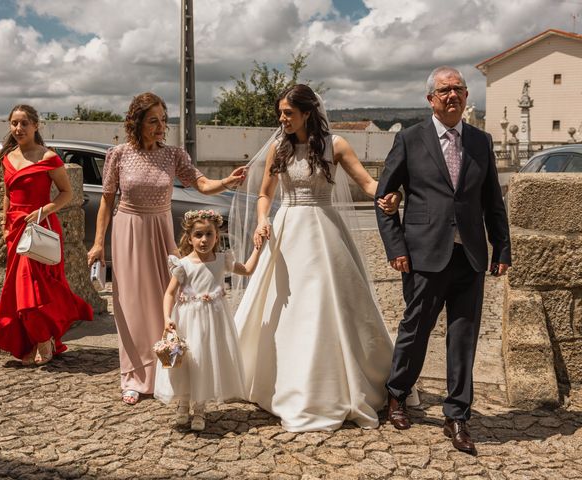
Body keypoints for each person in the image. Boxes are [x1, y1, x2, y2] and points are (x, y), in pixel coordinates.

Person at [232, 84, 411, 432]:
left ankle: (342, 384)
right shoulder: (277, 148)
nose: (282, 119)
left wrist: (392, 193)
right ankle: (280, 384)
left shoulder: (336, 145)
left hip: (325, 231)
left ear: (308, 113)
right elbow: (265, 196)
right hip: (286, 233)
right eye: (280, 112)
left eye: (288, 113)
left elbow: (368, 183)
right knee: (284, 307)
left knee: (329, 305)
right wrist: (263, 220)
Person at [375, 66, 511, 455]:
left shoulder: (482, 142)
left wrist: (501, 248)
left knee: (464, 337)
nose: (452, 96)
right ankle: (397, 393)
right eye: (444, 90)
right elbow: (384, 200)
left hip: (469, 255)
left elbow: (492, 202)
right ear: (431, 99)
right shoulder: (409, 139)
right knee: (415, 328)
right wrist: (396, 248)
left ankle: (457, 415)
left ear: (467, 97)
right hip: (423, 254)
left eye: (459, 89)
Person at [87, 93, 246, 405]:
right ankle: (133, 377)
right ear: (137, 123)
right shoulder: (118, 154)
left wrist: (227, 180)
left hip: (161, 231)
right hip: (128, 230)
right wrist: (97, 243)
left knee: (170, 301)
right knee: (131, 306)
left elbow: (201, 184)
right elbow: (107, 200)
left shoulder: (174, 155)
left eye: (164, 120)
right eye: (153, 121)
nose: (161, 127)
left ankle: (169, 372)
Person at [0, 105, 93, 366]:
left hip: (40, 227)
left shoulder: (48, 157)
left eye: (24, 123)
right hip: (15, 229)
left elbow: (66, 193)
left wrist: (42, 211)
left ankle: (44, 338)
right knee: (18, 289)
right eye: (14, 123)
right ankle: (33, 340)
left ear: (36, 126)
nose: (18, 129)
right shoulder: (7, 157)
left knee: (35, 287)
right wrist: (4, 226)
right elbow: (7, 195)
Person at [154, 209, 262, 431]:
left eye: (209, 235)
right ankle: (183, 404)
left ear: (217, 236)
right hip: (187, 320)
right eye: (198, 235)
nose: (204, 240)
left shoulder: (222, 260)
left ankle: (200, 408)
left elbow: (248, 270)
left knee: (204, 360)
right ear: (190, 237)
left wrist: (259, 249)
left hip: (213, 322)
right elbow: (169, 293)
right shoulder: (182, 264)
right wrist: (166, 318)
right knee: (186, 360)